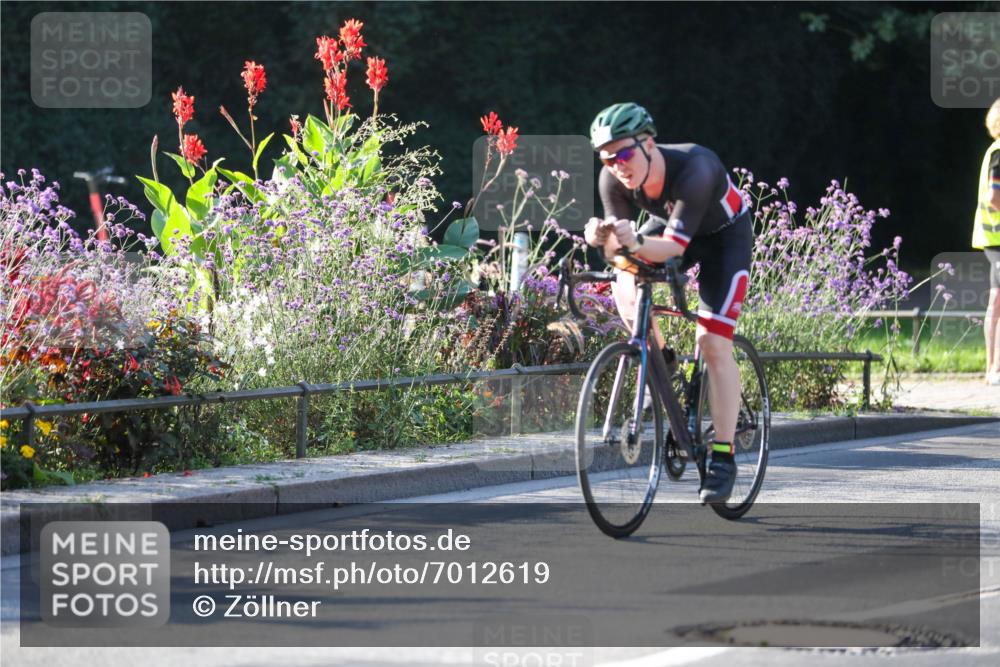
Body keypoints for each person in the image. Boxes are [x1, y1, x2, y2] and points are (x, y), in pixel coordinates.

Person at [583, 102, 752, 504]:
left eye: (624, 154)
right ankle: (661, 359)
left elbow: (672, 247)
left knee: (713, 342)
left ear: (649, 143)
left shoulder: (696, 167)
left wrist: (634, 241)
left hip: (722, 238)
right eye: (607, 158)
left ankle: (724, 458)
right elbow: (620, 254)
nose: (617, 165)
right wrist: (602, 238)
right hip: (668, 229)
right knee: (624, 278)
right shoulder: (612, 181)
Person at [973, 98, 1000, 386]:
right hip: (997, 237)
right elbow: (995, 197)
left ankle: (993, 367)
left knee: (997, 300)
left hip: (993, 237)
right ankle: (994, 368)